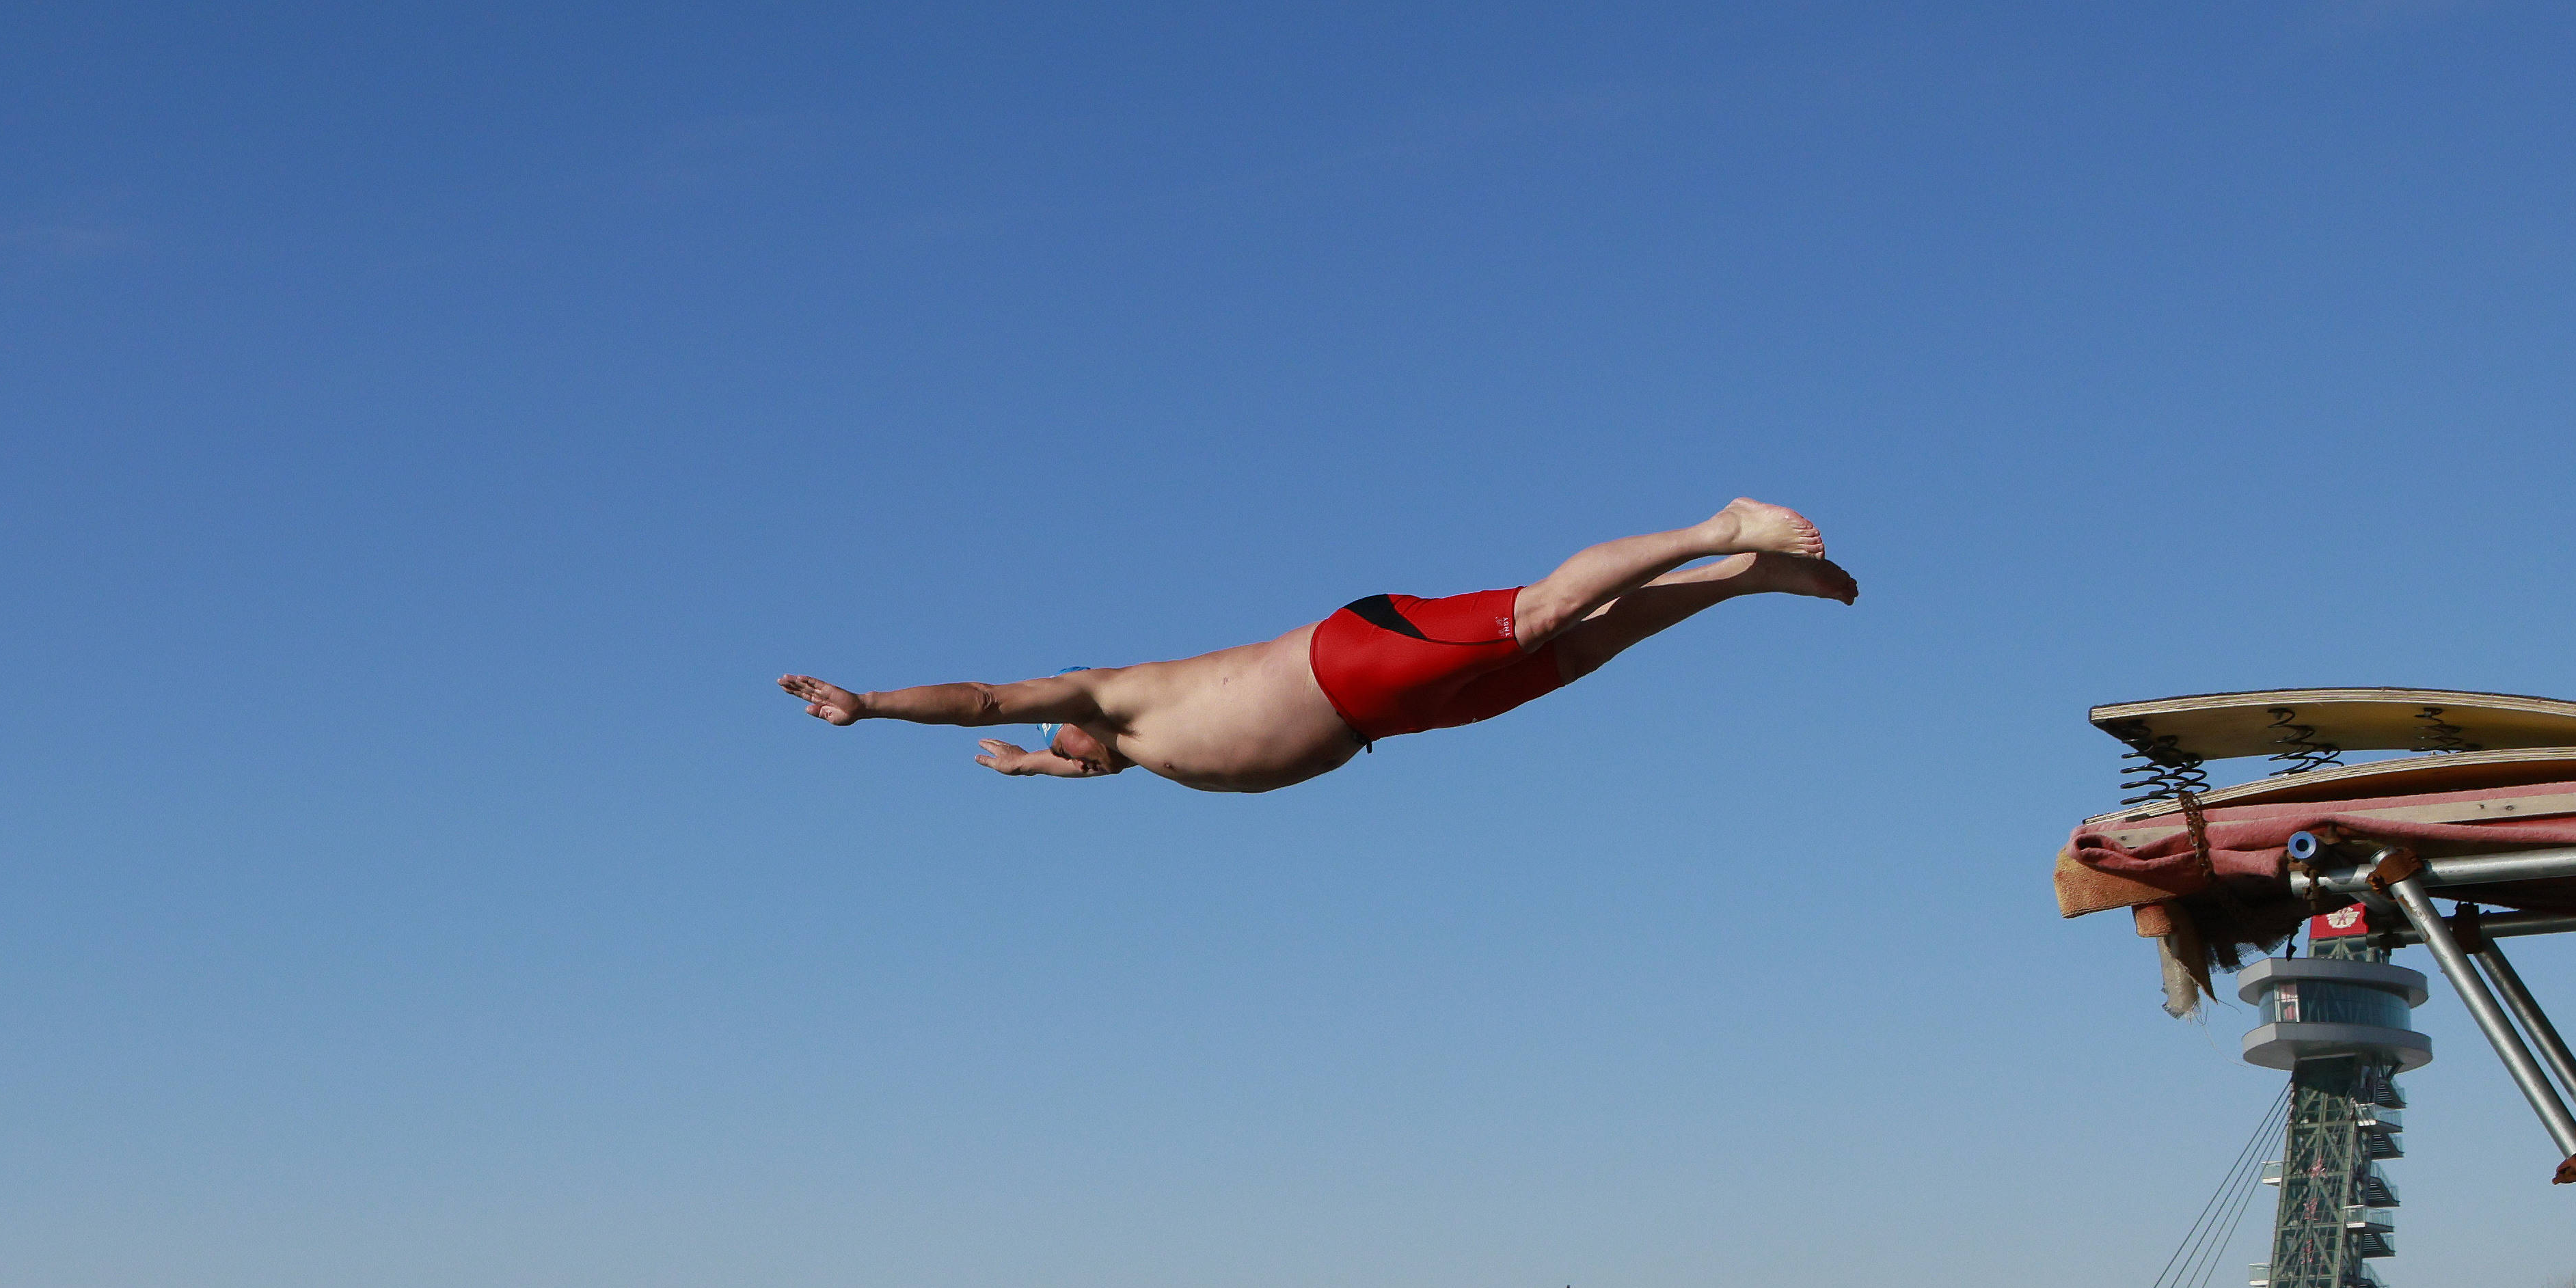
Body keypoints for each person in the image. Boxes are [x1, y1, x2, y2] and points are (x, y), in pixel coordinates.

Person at [777, 499, 1856, 792]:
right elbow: (1080, 768)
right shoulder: (1127, 749)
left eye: (1061, 745)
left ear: (1071, 713)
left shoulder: (1105, 694)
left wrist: (870, 705)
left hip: (1349, 661)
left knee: (1542, 616)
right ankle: (1745, 579)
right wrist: (1030, 773)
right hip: (1382, 715)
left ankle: (1720, 527)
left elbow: (977, 697)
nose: (1075, 758)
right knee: (1578, 656)